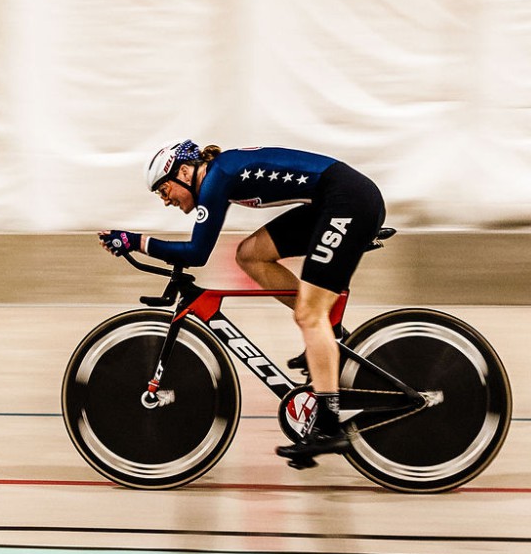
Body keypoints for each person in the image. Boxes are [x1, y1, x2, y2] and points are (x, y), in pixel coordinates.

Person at [99, 141, 386, 466]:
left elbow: (197, 253)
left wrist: (136, 241)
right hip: (335, 199)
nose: (166, 201)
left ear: (184, 172)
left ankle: (328, 426)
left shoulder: (217, 178)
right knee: (250, 254)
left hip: (347, 201)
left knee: (310, 314)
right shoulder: (219, 174)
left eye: (164, 190)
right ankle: (325, 334)